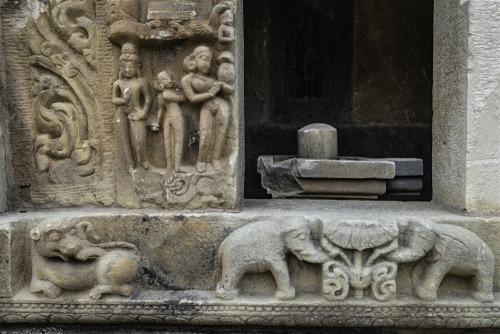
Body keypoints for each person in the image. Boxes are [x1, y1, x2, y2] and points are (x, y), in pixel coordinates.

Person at [181, 46, 229, 173]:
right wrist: (211, 93)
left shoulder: (212, 78)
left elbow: (227, 90)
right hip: (206, 107)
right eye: (204, 59)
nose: (208, 64)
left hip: (220, 105)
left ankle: (216, 158)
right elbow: (192, 98)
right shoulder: (187, 79)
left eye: (210, 61)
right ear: (193, 59)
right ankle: (201, 160)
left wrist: (225, 85)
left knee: (221, 132)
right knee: (205, 133)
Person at [112, 43, 152, 171]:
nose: (127, 69)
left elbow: (148, 99)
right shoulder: (118, 83)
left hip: (136, 110)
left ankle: (143, 160)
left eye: (131, 66)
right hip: (121, 111)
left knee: (139, 140)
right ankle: (130, 163)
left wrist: (144, 112)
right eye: (124, 66)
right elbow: (114, 99)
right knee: (125, 139)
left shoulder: (141, 82)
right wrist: (122, 100)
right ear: (120, 67)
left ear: (138, 67)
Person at [151, 70, 189, 173]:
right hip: (176, 115)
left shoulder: (161, 95)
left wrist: (158, 123)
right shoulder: (166, 94)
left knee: (170, 141)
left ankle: (172, 166)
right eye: (164, 79)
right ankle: (175, 166)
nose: (169, 80)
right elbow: (182, 98)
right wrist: (180, 89)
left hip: (168, 117)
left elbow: (160, 111)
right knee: (176, 141)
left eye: (169, 78)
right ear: (159, 84)